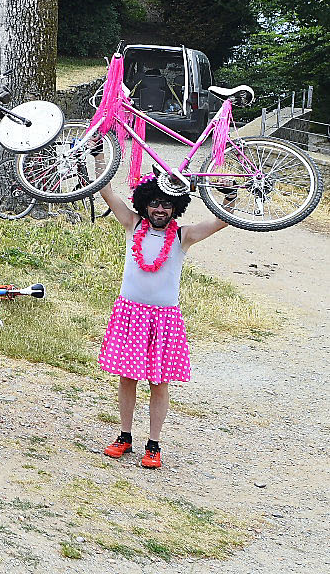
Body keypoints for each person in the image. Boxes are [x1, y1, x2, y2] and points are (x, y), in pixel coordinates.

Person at [94, 173, 228, 469]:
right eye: (154, 203)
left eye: (167, 205)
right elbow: (107, 192)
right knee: (126, 377)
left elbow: (221, 221)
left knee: (159, 382)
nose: (160, 209)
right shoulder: (133, 224)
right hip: (131, 315)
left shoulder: (184, 236)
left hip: (164, 320)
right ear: (144, 204)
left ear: (175, 208)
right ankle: (124, 436)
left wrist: (229, 197)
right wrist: (99, 157)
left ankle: (153, 445)